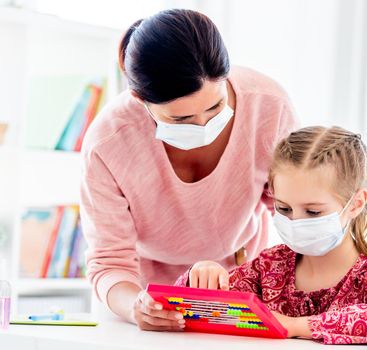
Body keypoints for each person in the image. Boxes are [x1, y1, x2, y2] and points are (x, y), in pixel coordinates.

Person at [80, 9, 298, 331]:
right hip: (149, 298)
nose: (204, 125)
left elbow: (294, 212)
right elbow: (109, 262)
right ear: (140, 98)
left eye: (215, 107)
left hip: (240, 286)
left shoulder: (268, 106)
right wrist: (137, 308)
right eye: (180, 120)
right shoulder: (108, 143)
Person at [176, 126, 367, 345]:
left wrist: (295, 326)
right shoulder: (271, 266)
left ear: (355, 204)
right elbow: (200, 306)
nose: (296, 222)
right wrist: (201, 276)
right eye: (284, 209)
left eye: (313, 211)